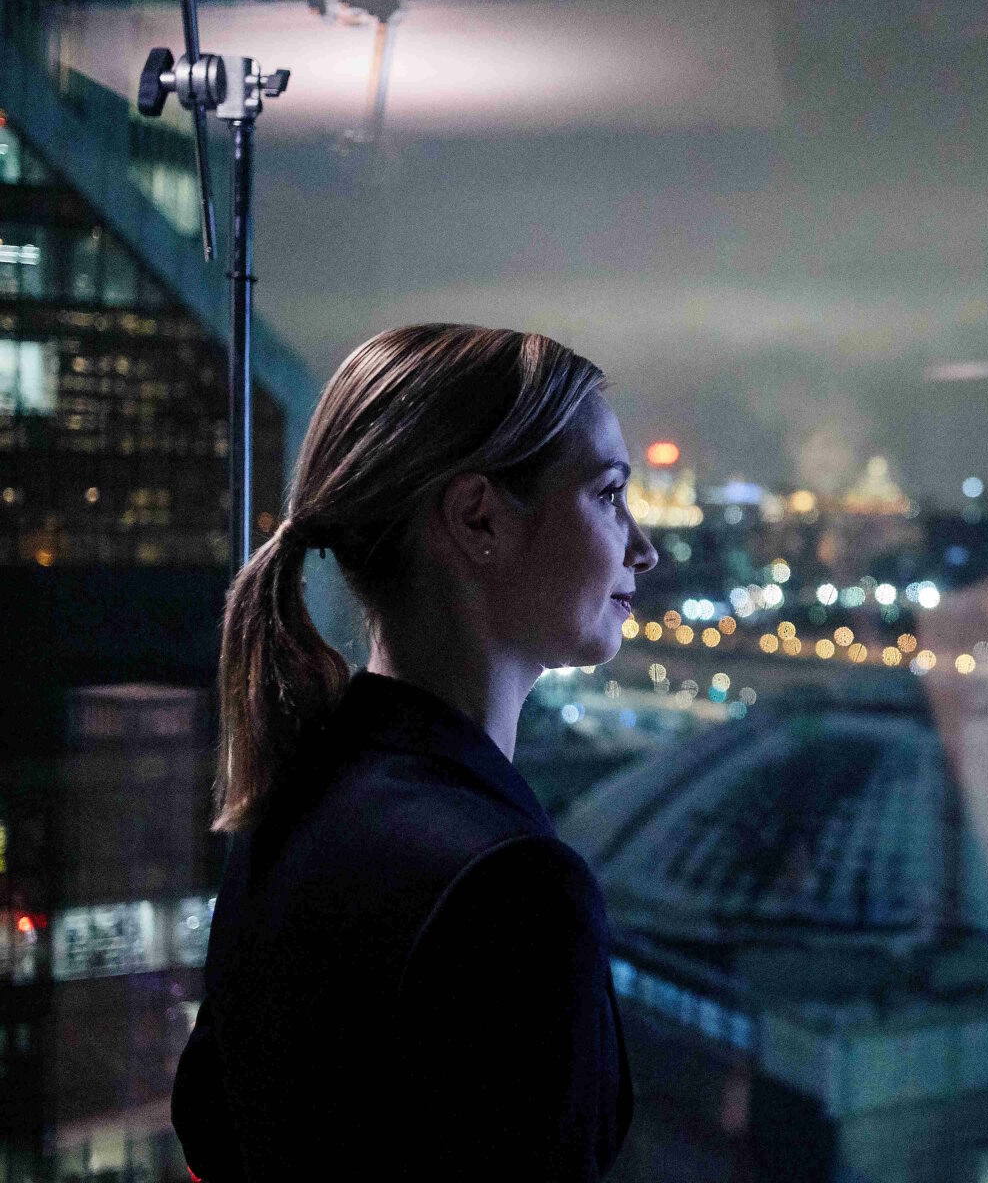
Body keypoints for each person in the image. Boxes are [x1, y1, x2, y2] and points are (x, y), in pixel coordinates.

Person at [171, 324, 653, 1181]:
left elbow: (215, 1125)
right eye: (609, 494)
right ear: (478, 518)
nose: (641, 547)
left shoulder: (294, 795)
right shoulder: (513, 888)